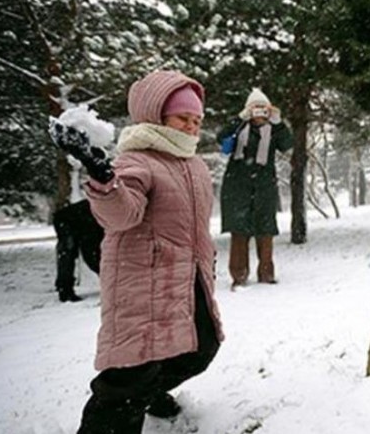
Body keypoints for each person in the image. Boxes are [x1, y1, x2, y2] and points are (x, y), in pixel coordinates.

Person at [49, 70, 225, 433]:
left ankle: (147, 395)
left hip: (187, 279)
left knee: (200, 349)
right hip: (142, 284)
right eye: (182, 118)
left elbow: (196, 226)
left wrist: (207, 261)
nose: (191, 127)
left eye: (196, 120)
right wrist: (102, 176)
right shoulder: (137, 160)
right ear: (156, 116)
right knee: (129, 377)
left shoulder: (194, 166)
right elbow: (121, 215)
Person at [217, 88, 294, 287]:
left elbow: (287, 145)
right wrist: (238, 119)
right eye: (255, 109)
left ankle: (266, 274)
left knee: (265, 230)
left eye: (263, 109)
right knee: (239, 231)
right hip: (237, 186)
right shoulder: (239, 127)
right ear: (248, 110)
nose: (259, 114)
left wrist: (279, 122)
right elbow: (221, 138)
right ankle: (239, 276)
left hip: (264, 186)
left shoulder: (273, 130)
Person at [52, 199, 104, 302]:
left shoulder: (101, 214)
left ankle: (63, 287)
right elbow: (91, 255)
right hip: (69, 221)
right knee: (68, 253)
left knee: (67, 254)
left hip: (72, 219)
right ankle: (65, 290)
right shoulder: (98, 220)